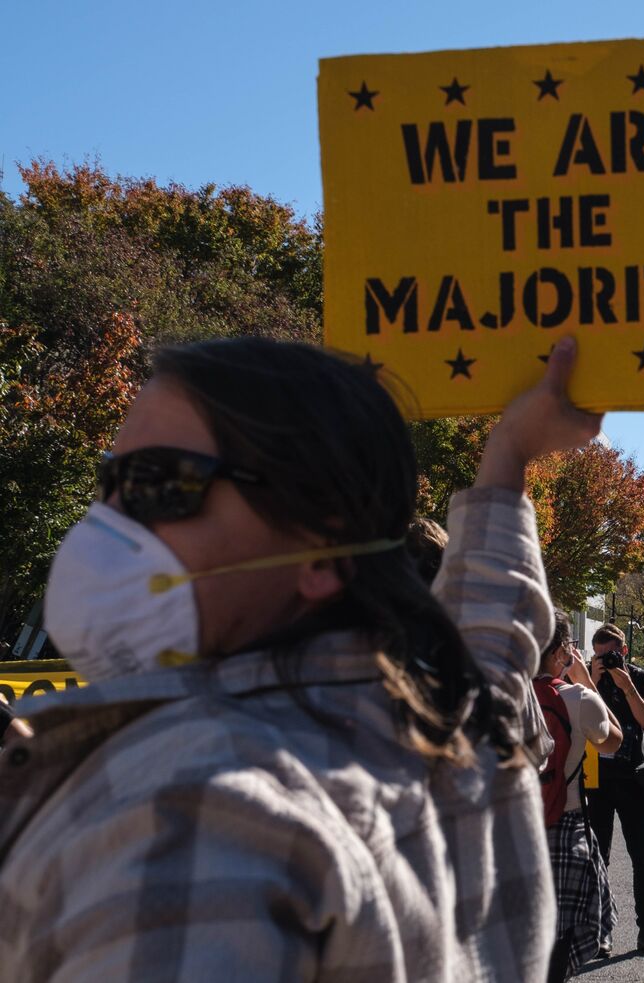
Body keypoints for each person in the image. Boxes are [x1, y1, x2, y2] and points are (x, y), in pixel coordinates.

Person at [0, 335, 602, 981]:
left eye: (160, 483)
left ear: (321, 547)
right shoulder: (459, 725)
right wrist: (509, 453)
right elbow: (495, 627)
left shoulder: (191, 815)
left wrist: (510, 452)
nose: (104, 522)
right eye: (110, 478)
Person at [537, 610, 623, 981]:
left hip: (508, 832)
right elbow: (613, 743)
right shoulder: (578, 699)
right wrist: (585, 681)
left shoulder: (498, 694)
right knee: (558, 940)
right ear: (561, 651)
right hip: (566, 827)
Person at [585, 623, 644, 957]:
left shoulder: (638, 677)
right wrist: (590, 677)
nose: (606, 661)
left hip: (633, 778)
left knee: (641, 858)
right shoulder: (588, 679)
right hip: (596, 780)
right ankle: (601, 930)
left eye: (612, 654)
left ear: (624, 651)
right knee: (598, 856)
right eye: (600, 655)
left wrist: (627, 685)